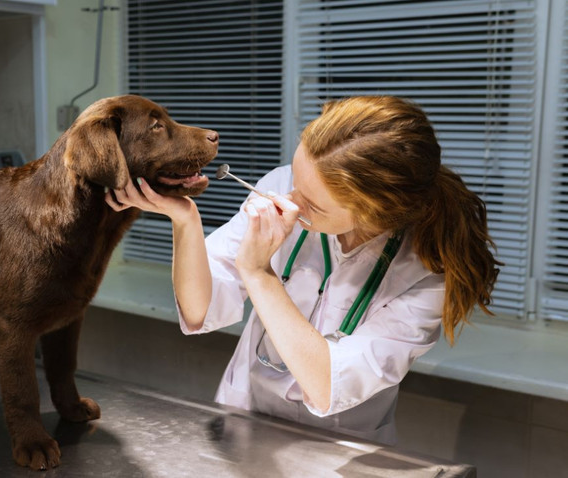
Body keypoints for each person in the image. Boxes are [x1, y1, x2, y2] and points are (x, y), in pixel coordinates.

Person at [105, 96, 501, 445]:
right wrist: (185, 220)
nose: (290, 201)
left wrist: (259, 273)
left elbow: (328, 384)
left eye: (313, 204)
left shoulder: (427, 274)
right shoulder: (282, 185)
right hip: (244, 421)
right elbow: (198, 310)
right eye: (296, 179)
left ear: (377, 212)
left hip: (341, 449)